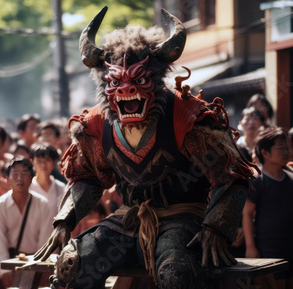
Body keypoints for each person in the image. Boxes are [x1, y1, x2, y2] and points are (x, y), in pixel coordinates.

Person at [34, 7, 256, 289]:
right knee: (71, 264)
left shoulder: (187, 116)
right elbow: (87, 178)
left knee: (176, 274)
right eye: (116, 82)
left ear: (156, 78)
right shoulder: (95, 124)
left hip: (182, 219)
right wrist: (65, 219)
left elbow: (231, 175)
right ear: (105, 85)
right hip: (127, 220)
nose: (127, 90)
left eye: (138, 80)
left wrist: (216, 227)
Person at [0, 157, 53, 288]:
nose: (20, 178)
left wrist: (42, 268)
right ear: (7, 178)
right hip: (11, 261)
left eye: (24, 174)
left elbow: (46, 241)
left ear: (31, 178)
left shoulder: (43, 204)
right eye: (15, 174)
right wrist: (5, 270)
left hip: (36, 261)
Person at [243, 127, 293, 288]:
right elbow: (247, 214)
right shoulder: (258, 181)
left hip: (290, 246)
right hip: (268, 250)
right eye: (280, 147)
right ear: (265, 153)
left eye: (286, 147)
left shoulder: (291, 178)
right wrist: (250, 247)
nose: (286, 151)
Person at [29, 143, 65, 218]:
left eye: (47, 160)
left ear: (54, 162)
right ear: (32, 161)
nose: (43, 164)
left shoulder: (61, 188)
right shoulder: (27, 187)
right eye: (39, 161)